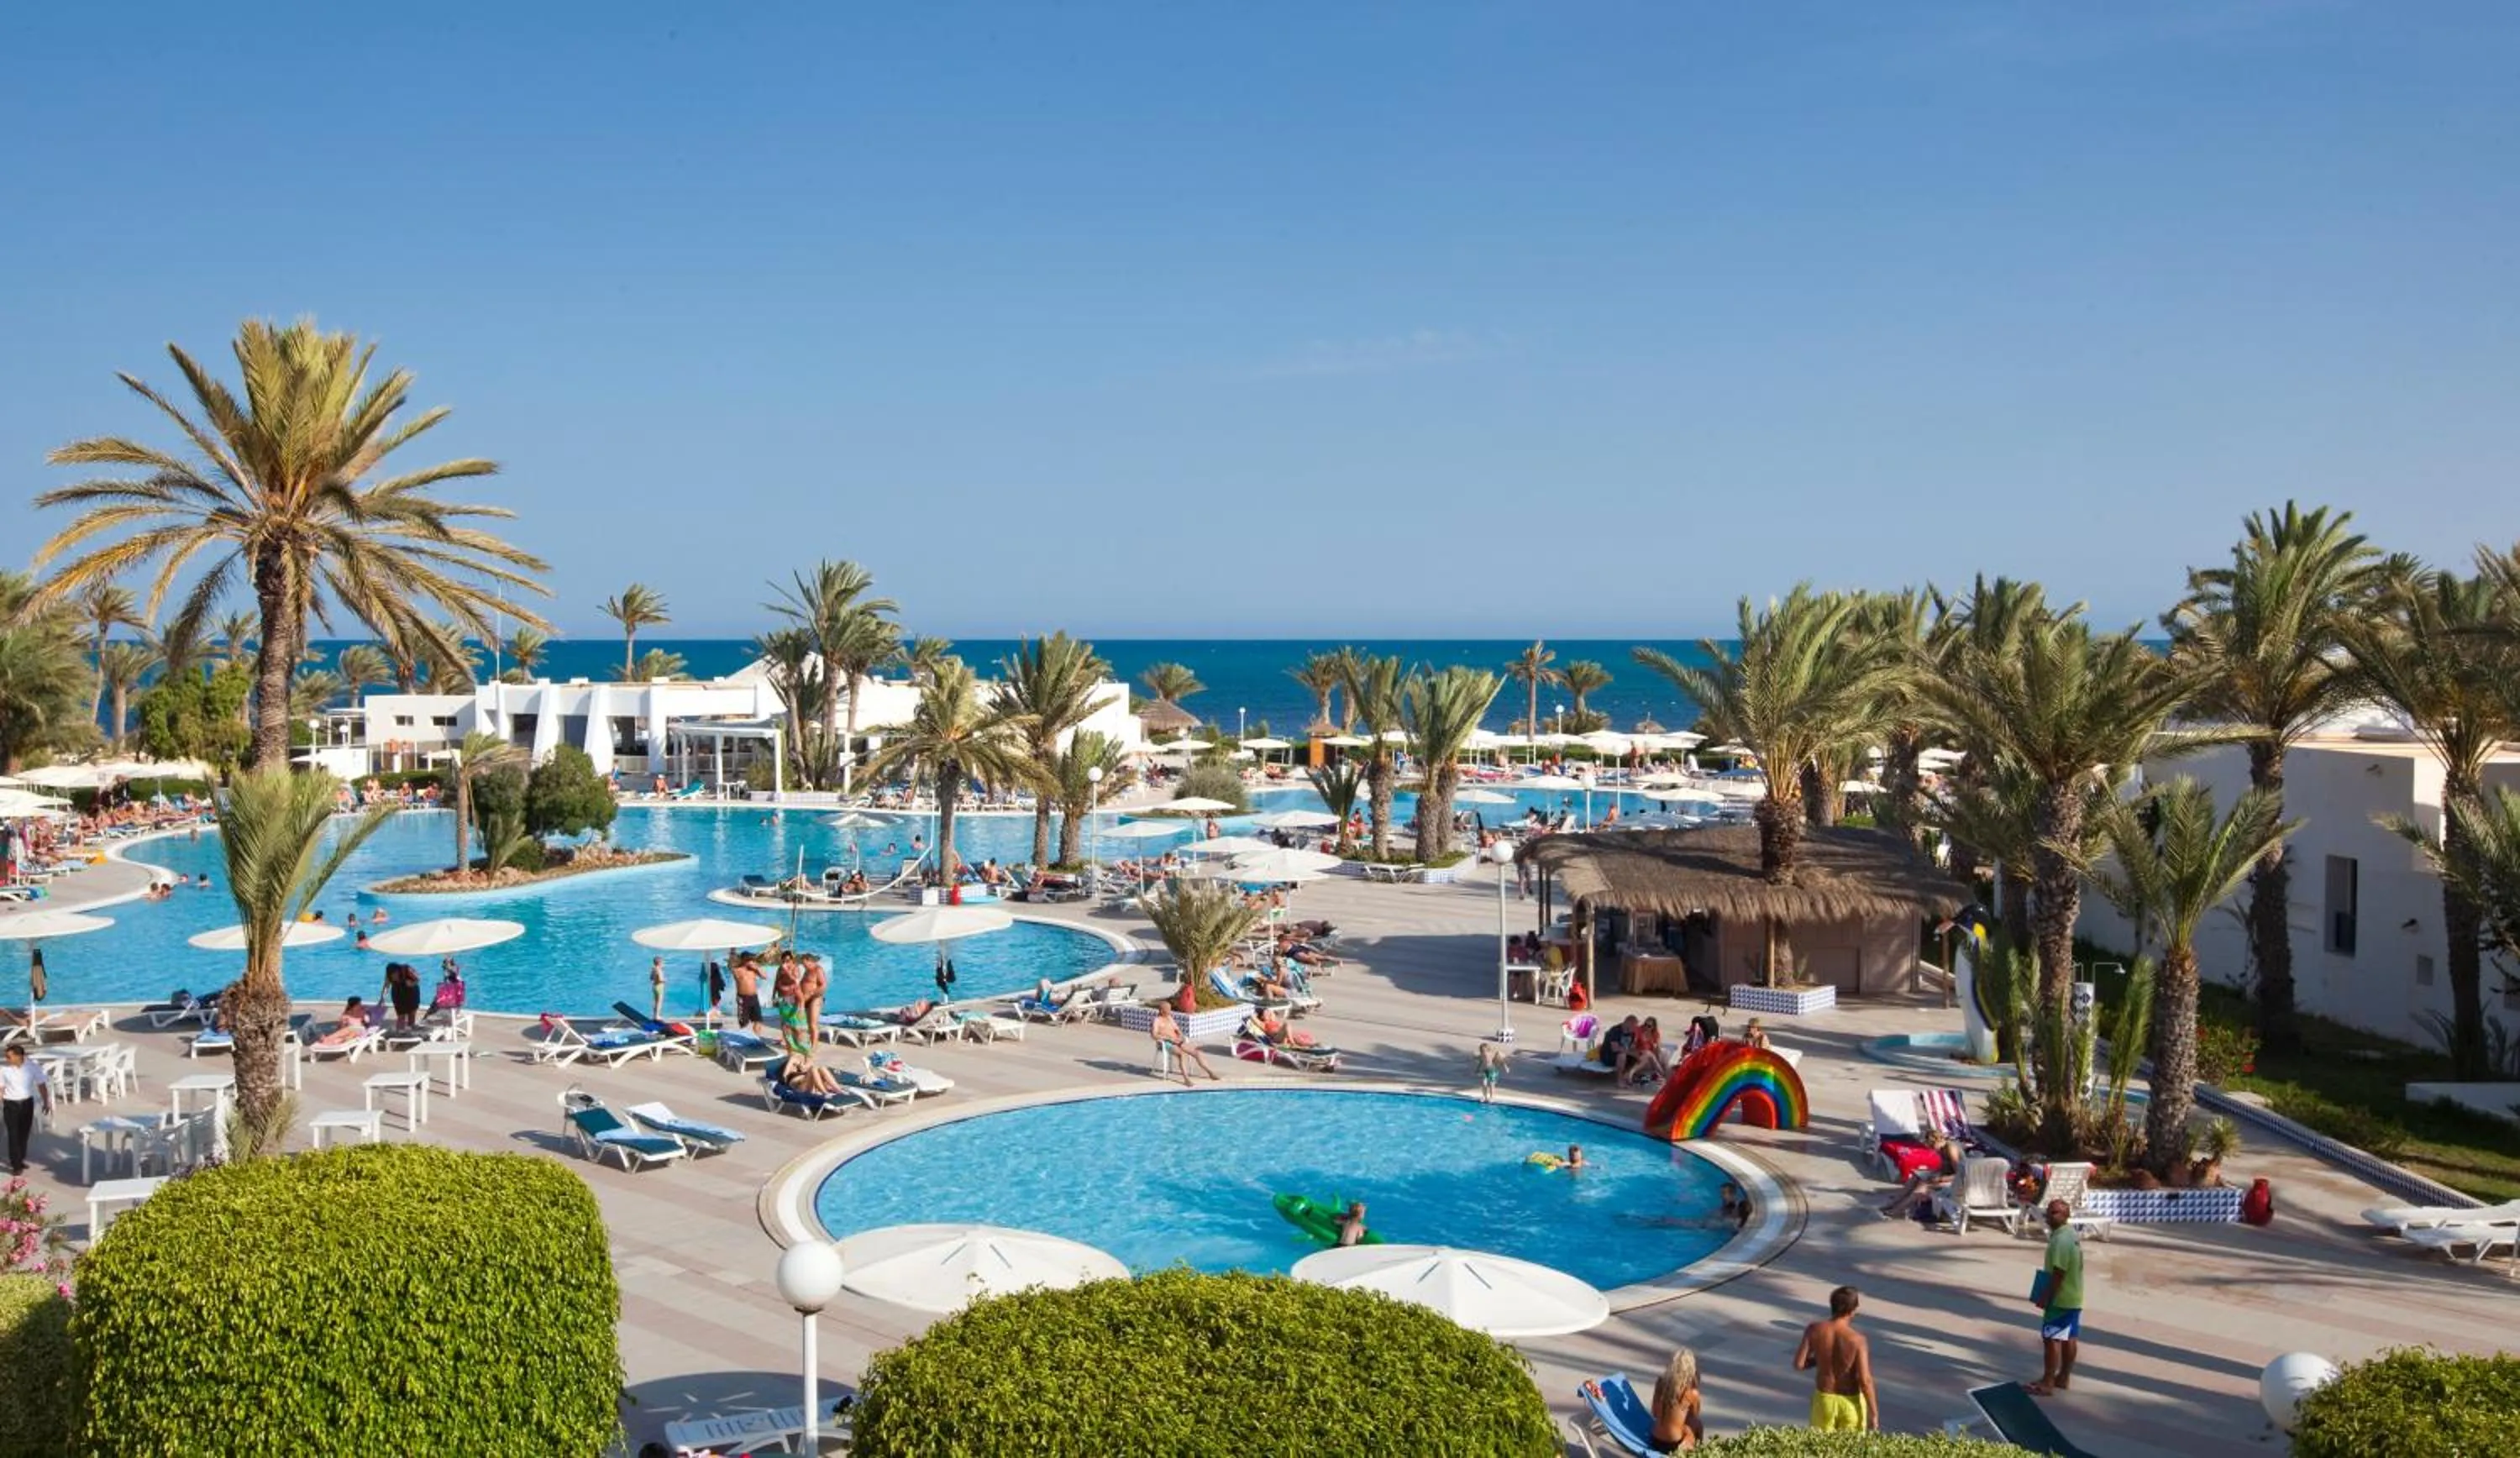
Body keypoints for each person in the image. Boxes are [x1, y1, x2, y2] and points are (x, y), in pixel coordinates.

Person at [1794, 1286, 1878, 1431]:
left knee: (1820, 1450)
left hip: (1824, 1400)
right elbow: (1865, 1380)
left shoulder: (1814, 1329)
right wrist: (1874, 1413)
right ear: (1852, 1311)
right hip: (1850, 1402)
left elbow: (1799, 1364)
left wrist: (1819, 1360)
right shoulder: (1858, 1340)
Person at [2029, 1199, 2085, 1397]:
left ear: (2066, 1215)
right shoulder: (2070, 1234)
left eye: (2055, 1213)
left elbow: (2058, 1273)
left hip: (2060, 1298)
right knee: (2069, 1337)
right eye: (2049, 1212)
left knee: (2051, 1338)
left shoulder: (2061, 1240)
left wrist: (2046, 1297)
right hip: (2074, 1296)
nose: (2049, 1216)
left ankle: (2048, 1381)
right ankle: (2063, 1377)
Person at [1880, 1130, 1961, 1220]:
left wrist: (1940, 1179)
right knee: (1916, 1176)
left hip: (1958, 1182)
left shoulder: (1951, 1148)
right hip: (1947, 1177)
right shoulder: (1942, 1149)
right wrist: (1930, 1174)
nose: (1932, 1149)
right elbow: (1944, 1168)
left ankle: (1898, 1210)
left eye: (1932, 1146)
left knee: (1924, 1185)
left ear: (1937, 1141)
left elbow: (1960, 1174)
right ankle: (1893, 1204)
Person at [0, 1044, 52, 1175]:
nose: (6, 1059)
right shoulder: (3, 1069)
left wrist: (46, 1102)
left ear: (19, 1056)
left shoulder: (32, 1067)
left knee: (23, 1134)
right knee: (13, 1134)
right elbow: (1, 1089)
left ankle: (20, 1159)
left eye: (9, 1056)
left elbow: (41, 1085)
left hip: (27, 1103)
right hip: (10, 1104)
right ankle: (16, 1165)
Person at [1649, 1346, 1704, 1451]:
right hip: (1674, 1445)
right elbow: (1694, 1416)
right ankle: (1698, 1452)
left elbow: (1655, 1413)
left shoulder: (1660, 1383)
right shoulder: (1692, 1393)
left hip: (1655, 1440)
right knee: (1697, 1424)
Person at [1149, 1004, 1218, 1086]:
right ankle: (1186, 1079)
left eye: (1169, 1009)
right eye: (1167, 1010)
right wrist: (1168, 1039)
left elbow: (1177, 1030)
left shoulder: (1169, 1018)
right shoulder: (1157, 1020)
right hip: (1166, 1043)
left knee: (1197, 1052)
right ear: (1161, 1010)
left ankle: (1210, 1072)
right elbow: (1154, 1035)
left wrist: (1181, 1036)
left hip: (1177, 1041)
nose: (1169, 1011)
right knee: (1182, 1054)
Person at [732, 954, 766, 1037]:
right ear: (743, 960)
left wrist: (756, 968)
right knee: (744, 1022)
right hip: (743, 998)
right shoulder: (737, 970)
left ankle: (756, 1038)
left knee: (758, 1020)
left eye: (752, 960)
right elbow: (732, 966)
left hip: (754, 998)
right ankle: (745, 1038)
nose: (751, 962)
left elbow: (764, 976)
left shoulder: (754, 970)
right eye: (749, 960)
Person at [387, 962, 423, 1029]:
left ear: (398, 971)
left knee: (412, 1014)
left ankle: (411, 1029)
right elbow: (387, 984)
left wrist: (411, 984)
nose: (394, 977)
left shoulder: (406, 969)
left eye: (395, 974)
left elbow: (418, 979)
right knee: (401, 1015)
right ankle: (399, 1032)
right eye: (392, 976)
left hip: (412, 992)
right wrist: (382, 997)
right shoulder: (389, 975)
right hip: (398, 993)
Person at [1475, 1040, 1507, 1104]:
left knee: (1492, 1085)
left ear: (1488, 1050)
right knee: (1484, 1083)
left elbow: (1501, 1060)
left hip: (1493, 1071)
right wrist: (1477, 1069)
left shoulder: (1491, 1055)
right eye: (1482, 1051)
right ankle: (1484, 1097)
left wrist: (1506, 1067)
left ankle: (1492, 1097)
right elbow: (1481, 1062)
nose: (1484, 1053)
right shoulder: (1482, 1056)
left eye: (1485, 1051)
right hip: (1485, 1071)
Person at [649, 956, 667, 1022]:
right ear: (660, 963)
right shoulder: (659, 970)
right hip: (659, 987)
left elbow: (651, 978)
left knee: (655, 1002)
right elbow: (660, 979)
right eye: (662, 962)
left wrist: (655, 978)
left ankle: (654, 1015)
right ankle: (657, 1016)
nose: (663, 964)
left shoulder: (653, 969)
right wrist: (665, 980)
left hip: (654, 986)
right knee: (659, 1002)